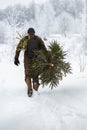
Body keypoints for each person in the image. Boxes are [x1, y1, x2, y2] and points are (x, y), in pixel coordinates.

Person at [14, 28, 47, 97]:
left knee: (27, 75)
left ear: (28, 33)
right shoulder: (38, 39)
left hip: (27, 61)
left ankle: (29, 89)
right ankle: (35, 89)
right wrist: (47, 58)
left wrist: (16, 58)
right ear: (34, 32)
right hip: (36, 60)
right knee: (35, 75)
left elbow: (18, 48)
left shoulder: (24, 39)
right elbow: (44, 49)